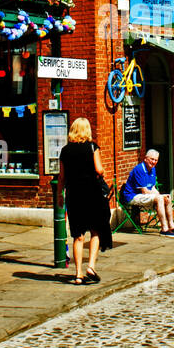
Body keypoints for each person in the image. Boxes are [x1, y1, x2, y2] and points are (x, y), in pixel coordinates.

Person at [57, 117, 110, 285]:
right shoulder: (92, 147)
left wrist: (59, 194)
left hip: (74, 194)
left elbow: (62, 177)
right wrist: (102, 172)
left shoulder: (65, 151)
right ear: (87, 130)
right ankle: (91, 266)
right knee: (96, 231)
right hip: (92, 193)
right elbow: (99, 169)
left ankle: (78, 273)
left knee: (78, 235)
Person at [120, 148, 174, 236]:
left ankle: (172, 226)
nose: (154, 162)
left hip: (142, 195)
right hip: (132, 196)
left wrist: (162, 196)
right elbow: (144, 191)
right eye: (152, 159)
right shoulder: (139, 169)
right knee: (159, 199)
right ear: (146, 158)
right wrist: (159, 197)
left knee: (167, 198)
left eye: (156, 160)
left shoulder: (153, 169)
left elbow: (152, 188)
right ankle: (164, 229)